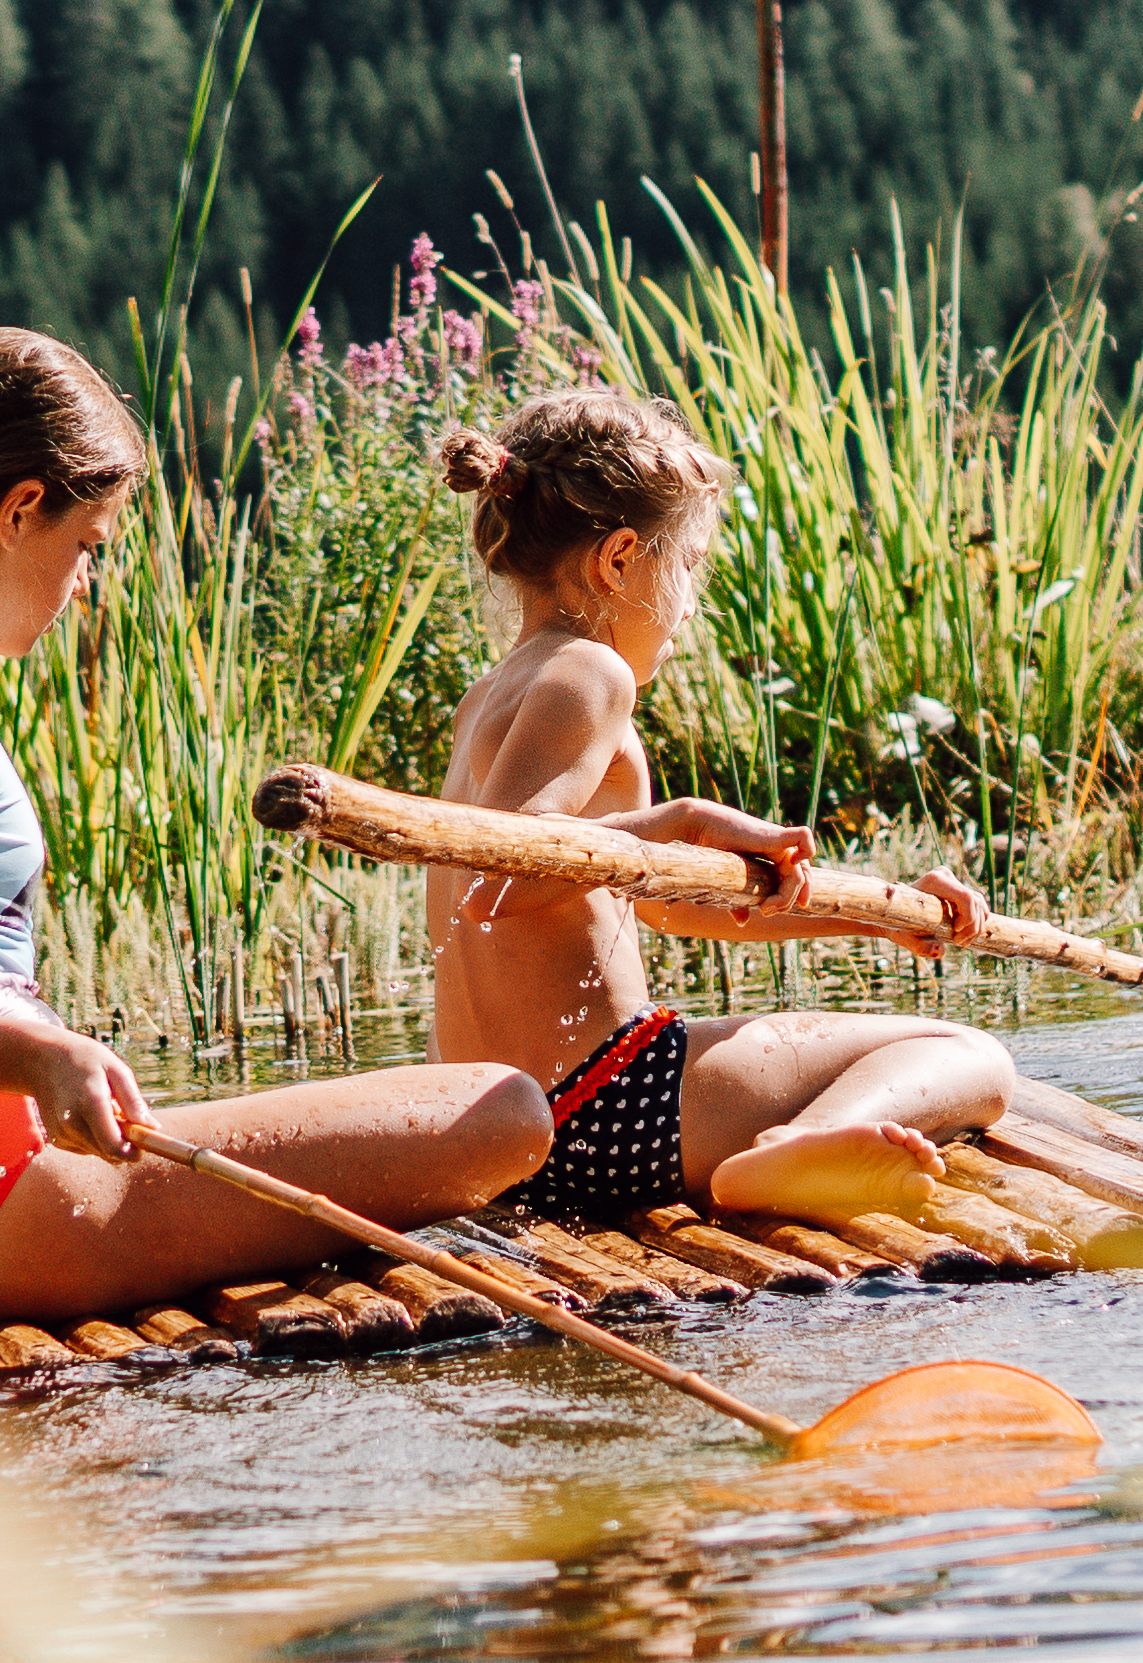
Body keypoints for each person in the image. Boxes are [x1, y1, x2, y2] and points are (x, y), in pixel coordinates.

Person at [0, 329, 549, 1322]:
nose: (84, 584)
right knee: (503, 1109)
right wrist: (39, 1058)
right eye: (88, 546)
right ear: (18, 510)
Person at [424, 386, 1079, 1227]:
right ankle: (789, 1151)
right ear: (618, 560)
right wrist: (678, 823)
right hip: (602, 1111)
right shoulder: (590, 673)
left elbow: (662, 902)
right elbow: (496, 883)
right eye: (689, 566)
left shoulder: (485, 698)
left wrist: (879, 917)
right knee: (967, 1055)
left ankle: (789, 1150)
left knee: (947, 1053)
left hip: (500, 1136)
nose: (690, 603)